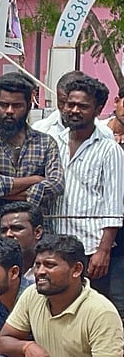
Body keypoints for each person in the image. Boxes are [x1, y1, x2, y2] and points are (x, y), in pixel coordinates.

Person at [50, 75, 124, 319]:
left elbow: (114, 205)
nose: (74, 110)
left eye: (82, 106)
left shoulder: (109, 149)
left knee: (93, 315)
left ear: (98, 109)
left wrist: (104, 250)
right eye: (70, 104)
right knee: (61, 313)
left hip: (92, 250)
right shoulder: (53, 143)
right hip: (57, 245)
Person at [0, 72, 63, 237]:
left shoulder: (46, 143)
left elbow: (56, 184)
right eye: (4, 105)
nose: (9, 111)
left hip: (38, 238)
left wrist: (7, 192)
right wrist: (36, 180)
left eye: (17, 105)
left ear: (28, 106)